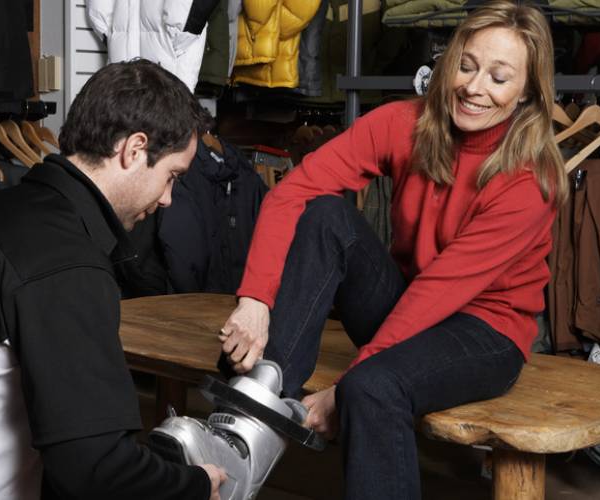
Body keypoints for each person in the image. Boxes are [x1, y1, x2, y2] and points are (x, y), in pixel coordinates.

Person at [219, 2, 568, 499]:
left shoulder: (531, 179)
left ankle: (256, 433)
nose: (474, 87)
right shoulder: (403, 122)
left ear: (528, 92)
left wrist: (346, 385)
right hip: (407, 302)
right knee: (325, 214)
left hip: (486, 329)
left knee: (371, 388)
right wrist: (254, 299)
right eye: (466, 66)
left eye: (499, 77)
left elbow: (439, 290)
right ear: (448, 63)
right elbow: (292, 192)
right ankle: (255, 415)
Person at [0, 59, 226, 500]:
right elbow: (96, 470)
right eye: (171, 177)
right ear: (134, 149)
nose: (167, 199)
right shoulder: (66, 265)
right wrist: (195, 486)